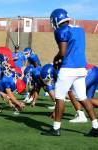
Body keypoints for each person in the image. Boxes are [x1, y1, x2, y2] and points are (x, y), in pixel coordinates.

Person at [42, 8, 98, 137]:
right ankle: (96, 126)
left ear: (56, 20)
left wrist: (56, 59)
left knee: (60, 98)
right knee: (83, 98)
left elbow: (62, 53)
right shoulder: (79, 29)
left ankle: (56, 128)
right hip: (81, 68)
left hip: (68, 69)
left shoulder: (60, 31)